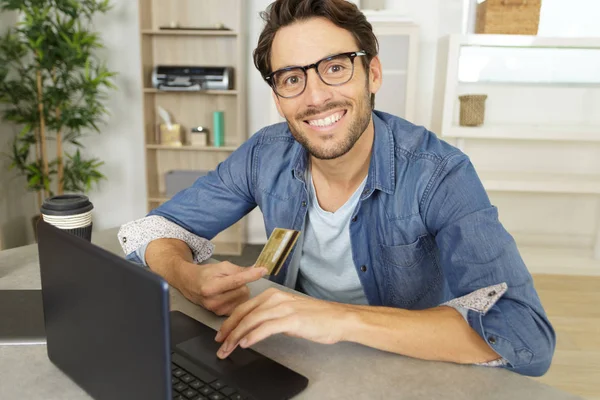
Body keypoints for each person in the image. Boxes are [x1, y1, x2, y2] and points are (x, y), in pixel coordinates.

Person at [119, 0, 555, 377]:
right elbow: (154, 229)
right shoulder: (264, 155)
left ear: (373, 74)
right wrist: (187, 276)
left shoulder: (439, 174)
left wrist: (337, 319)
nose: (315, 98)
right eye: (292, 79)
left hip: (406, 366)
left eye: (334, 68)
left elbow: (524, 335)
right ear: (278, 96)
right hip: (296, 359)